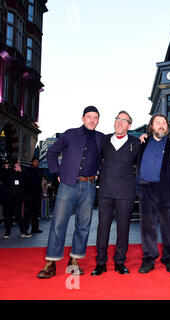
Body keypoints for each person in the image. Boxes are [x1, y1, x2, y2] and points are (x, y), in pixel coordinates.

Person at [37, 106, 104, 279]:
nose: (92, 120)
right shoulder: (70, 134)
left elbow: (113, 151)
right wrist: (58, 173)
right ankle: (50, 262)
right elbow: (51, 153)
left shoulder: (101, 138)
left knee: (83, 225)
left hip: (89, 186)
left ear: (98, 120)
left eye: (95, 117)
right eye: (89, 117)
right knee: (58, 224)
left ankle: (74, 260)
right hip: (67, 184)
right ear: (83, 118)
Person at [136, 114, 170, 275]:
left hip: (167, 190)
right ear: (151, 126)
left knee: (169, 227)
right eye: (157, 122)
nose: (161, 125)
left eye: (164, 123)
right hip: (146, 189)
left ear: (167, 127)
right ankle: (149, 259)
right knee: (147, 227)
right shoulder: (143, 143)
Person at [91, 111, 140, 276]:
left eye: (124, 120)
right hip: (105, 190)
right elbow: (94, 158)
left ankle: (120, 262)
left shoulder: (136, 143)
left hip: (126, 192)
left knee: (123, 228)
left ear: (129, 125)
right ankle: (101, 262)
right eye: (117, 119)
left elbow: (142, 165)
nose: (119, 122)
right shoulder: (104, 140)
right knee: (103, 227)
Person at [3, 158, 30, 238]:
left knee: (18, 216)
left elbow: (23, 184)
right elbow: (3, 177)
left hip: (17, 199)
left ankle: (23, 232)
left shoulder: (20, 174)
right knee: (7, 216)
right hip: (8, 199)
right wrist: (6, 168)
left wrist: (20, 171)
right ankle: (7, 232)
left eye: (19, 163)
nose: (19, 164)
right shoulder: (8, 172)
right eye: (18, 163)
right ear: (14, 165)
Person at [23, 157, 43, 234]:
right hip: (29, 196)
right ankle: (25, 229)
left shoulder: (40, 172)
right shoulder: (27, 172)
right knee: (27, 213)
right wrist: (25, 195)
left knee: (35, 213)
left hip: (37, 196)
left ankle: (35, 228)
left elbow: (40, 184)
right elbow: (24, 184)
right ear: (32, 162)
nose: (36, 163)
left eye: (37, 162)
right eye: (35, 162)